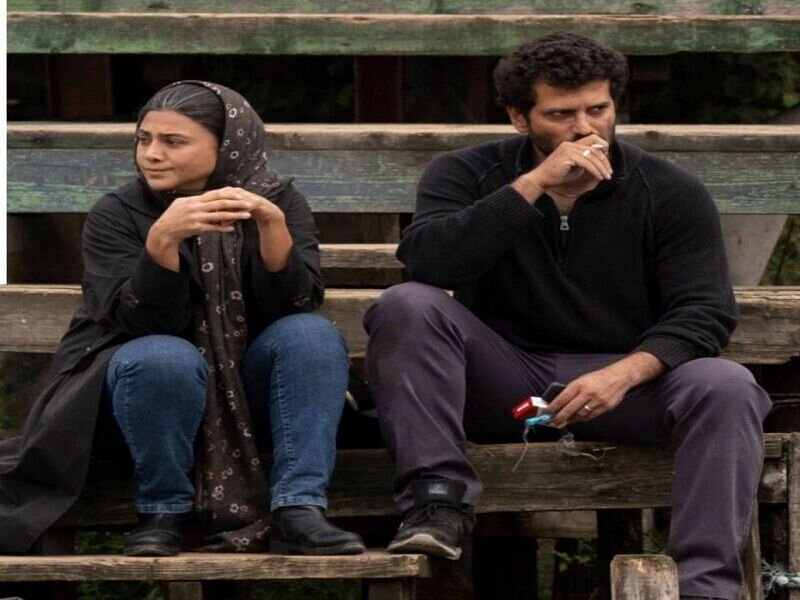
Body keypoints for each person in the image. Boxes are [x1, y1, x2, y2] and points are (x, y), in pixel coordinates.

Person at [363, 33, 770, 600]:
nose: (584, 129)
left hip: (625, 386)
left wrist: (624, 373)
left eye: (597, 109)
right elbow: (429, 264)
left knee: (727, 384)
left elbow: (705, 311)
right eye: (560, 115)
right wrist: (532, 185)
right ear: (518, 118)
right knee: (406, 305)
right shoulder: (464, 173)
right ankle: (437, 504)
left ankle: (703, 588)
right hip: (504, 380)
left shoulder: (669, 190)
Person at [0, 81, 365, 557]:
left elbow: (293, 305)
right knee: (164, 356)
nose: (152, 154)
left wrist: (272, 226)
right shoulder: (117, 212)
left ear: (227, 146)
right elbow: (139, 324)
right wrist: (162, 242)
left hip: (250, 397)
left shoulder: (277, 201)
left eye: (173, 142)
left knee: (310, 334)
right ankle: (163, 512)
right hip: (142, 402)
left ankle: (298, 508)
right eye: (144, 139)